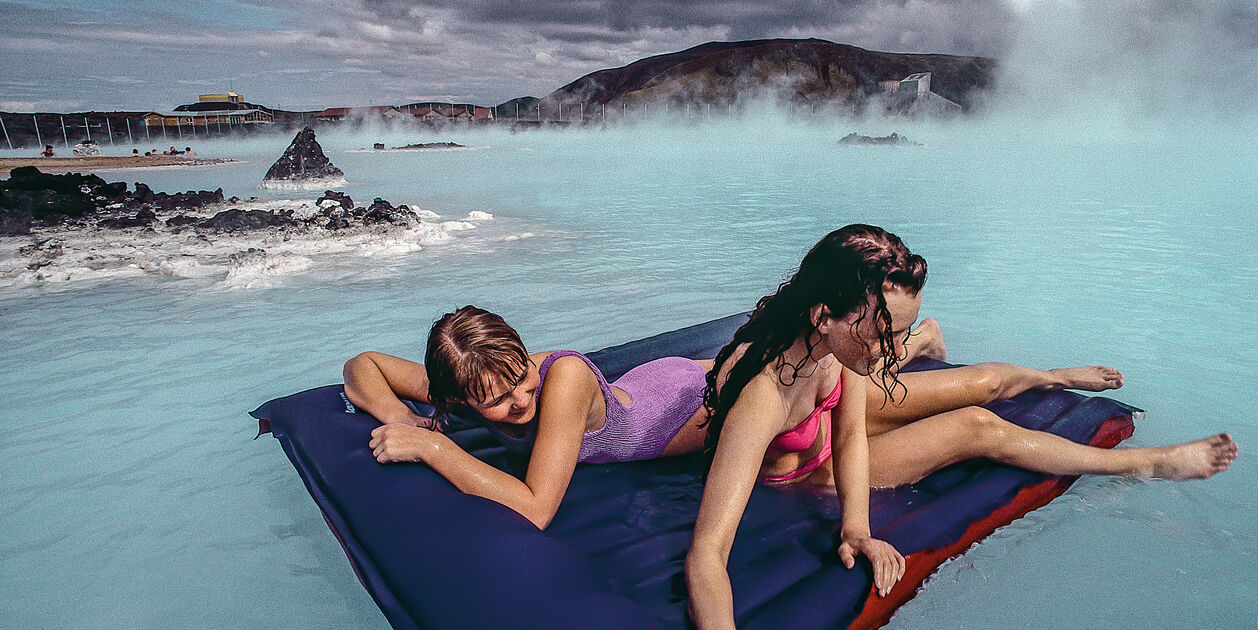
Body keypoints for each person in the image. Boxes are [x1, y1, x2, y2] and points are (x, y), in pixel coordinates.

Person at [685, 224, 1238, 628]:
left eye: (898, 335)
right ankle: (1147, 462)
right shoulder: (764, 399)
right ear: (823, 315)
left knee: (987, 383)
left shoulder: (838, 346)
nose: (888, 351)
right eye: (883, 335)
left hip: (826, 425)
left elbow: (851, 432)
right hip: (809, 469)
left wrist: (857, 527)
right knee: (977, 425)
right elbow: (707, 556)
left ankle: (1048, 374)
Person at [344, 305, 713, 530]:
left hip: (679, 412)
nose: (521, 400)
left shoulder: (565, 378)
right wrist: (400, 416)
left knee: (740, 376)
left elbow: (536, 510)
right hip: (644, 385)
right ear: (457, 397)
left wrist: (433, 447)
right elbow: (362, 365)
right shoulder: (474, 377)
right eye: (498, 400)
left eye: (523, 376)